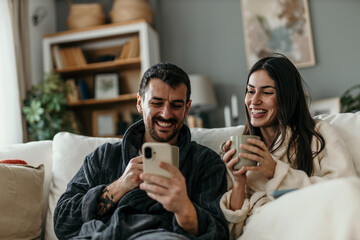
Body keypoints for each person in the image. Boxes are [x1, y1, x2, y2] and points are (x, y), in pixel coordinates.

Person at [54, 63, 229, 240]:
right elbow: (62, 222)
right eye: (156, 103)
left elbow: (217, 233)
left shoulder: (205, 162)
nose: (166, 114)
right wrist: (120, 186)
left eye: (176, 105)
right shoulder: (104, 156)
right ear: (140, 103)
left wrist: (183, 208)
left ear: (187, 109)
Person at [220, 54, 357, 239]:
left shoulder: (318, 134)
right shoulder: (235, 149)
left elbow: (344, 188)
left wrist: (276, 171)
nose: (254, 100)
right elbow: (233, 231)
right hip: (262, 227)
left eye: (266, 92)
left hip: (311, 219)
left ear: (287, 96)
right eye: (250, 91)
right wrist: (238, 182)